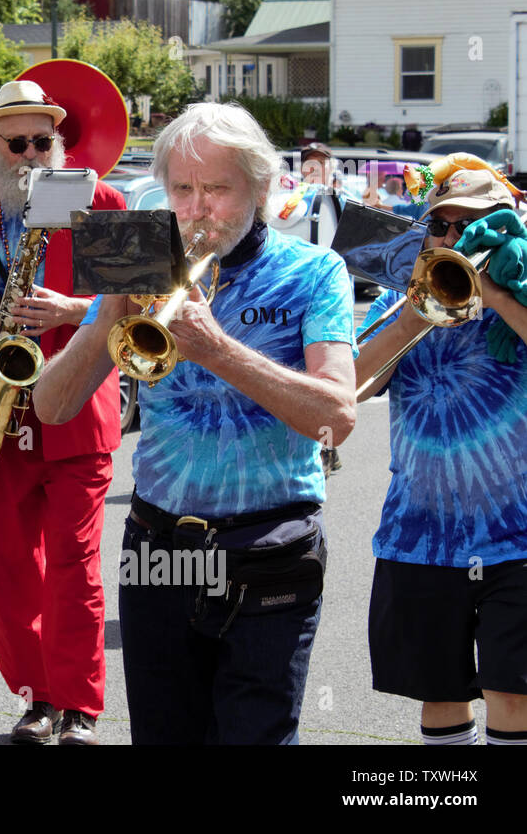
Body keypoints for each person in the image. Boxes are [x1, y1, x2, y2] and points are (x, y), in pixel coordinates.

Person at [34, 101, 358, 744]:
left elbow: (336, 417)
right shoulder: (142, 258)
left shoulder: (316, 273)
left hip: (269, 546)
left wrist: (217, 349)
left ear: (261, 189)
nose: (196, 208)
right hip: (158, 548)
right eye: (181, 188)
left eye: (217, 189)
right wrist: (104, 317)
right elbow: (52, 408)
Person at [0, 79, 125, 745]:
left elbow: (140, 303)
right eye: (20, 143)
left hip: (74, 409)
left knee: (73, 562)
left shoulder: (104, 201)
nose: (34, 154)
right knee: (7, 569)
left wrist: (70, 310)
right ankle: (37, 698)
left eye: (45, 140)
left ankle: (80, 707)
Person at [356, 166, 527, 746]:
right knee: (439, 695)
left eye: (470, 225)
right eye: (441, 225)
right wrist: (414, 313)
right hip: (421, 536)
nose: (451, 237)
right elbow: (348, 388)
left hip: (518, 538)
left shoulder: (520, 288)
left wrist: (497, 294)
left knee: (513, 692)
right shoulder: (400, 298)